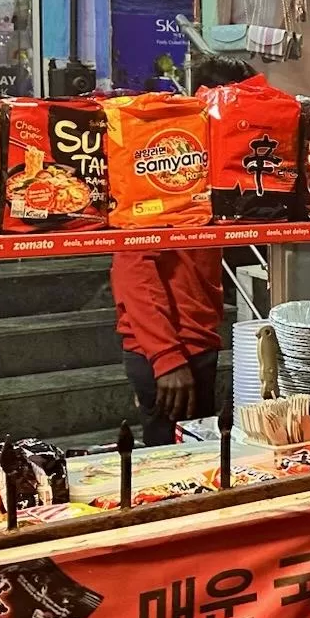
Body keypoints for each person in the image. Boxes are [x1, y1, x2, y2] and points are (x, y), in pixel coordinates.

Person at [111, 55, 255, 445]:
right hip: (168, 355)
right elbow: (134, 274)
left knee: (199, 463)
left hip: (197, 344)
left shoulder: (211, 171)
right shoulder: (162, 167)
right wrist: (166, 358)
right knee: (174, 469)